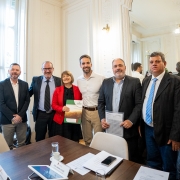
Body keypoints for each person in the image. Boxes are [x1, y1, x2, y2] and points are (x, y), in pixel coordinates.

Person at [141, 52, 180, 180]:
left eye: (157, 61)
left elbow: (178, 110)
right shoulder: (146, 80)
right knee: (152, 162)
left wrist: (175, 136)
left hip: (167, 133)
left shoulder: (175, 81)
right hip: (148, 129)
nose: (154, 64)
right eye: (151, 62)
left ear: (164, 63)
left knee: (169, 167)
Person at [98, 58, 142, 163]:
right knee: (112, 157)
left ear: (125, 67)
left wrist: (131, 120)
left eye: (120, 65)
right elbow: (100, 102)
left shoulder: (134, 82)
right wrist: (102, 118)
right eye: (115, 66)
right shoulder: (106, 82)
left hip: (128, 128)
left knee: (130, 159)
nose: (118, 68)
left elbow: (139, 104)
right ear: (112, 69)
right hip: (110, 128)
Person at [29, 61, 61, 141]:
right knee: (39, 137)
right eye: (45, 68)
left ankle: (53, 152)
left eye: (49, 68)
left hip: (54, 113)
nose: (47, 71)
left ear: (53, 69)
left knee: (54, 137)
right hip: (40, 114)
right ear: (42, 69)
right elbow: (29, 93)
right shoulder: (36, 80)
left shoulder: (59, 81)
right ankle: (40, 153)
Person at [0, 63, 30, 149]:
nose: (14, 72)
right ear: (9, 71)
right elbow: (1, 103)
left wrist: (20, 115)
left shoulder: (24, 84)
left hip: (22, 120)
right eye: (12, 69)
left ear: (20, 72)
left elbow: (27, 101)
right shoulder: (1, 84)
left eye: (17, 70)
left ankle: (21, 162)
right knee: (7, 145)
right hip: (7, 120)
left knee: (22, 144)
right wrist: (13, 117)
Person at [77, 54, 104, 146]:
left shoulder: (101, 78)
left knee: (99, 138)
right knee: (87, 138)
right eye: (83, 63)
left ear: (91, 64)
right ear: (80, 65)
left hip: (97, 111)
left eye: (87, 63)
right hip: (84, 111)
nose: (85, 65)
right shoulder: (78, 80)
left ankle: (99, 158)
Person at [51, 71, 82, 142]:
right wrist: (62, 108)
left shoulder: (78, 89)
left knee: (74, 142)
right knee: (62, 143)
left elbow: (80, 101)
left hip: (74, 119)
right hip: (61, 120)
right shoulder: (57, 90)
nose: (66, 77)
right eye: (63, 76)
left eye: (67, 75)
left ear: (71, 77)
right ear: (62, 79)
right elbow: (53, 105)